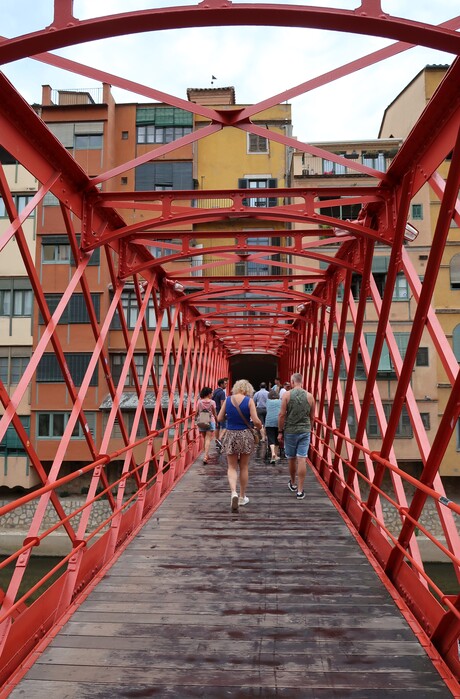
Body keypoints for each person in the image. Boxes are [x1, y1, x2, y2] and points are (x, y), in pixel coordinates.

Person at [217, 379, 263, 512]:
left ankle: (233, 493)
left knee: (231, 467)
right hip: (245, 435)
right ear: (248, 389)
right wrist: (259, 426)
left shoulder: (228, 399)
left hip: (231, 434)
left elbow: (219, 418)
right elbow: (255, 420)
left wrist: (230, 417)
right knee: (243, 466)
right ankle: (242, 496)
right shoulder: (249, 401)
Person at [278, 373, 315, 500]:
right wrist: (309, 428)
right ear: (302, 382)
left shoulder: (287, 395)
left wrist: (280, 431)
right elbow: (312, 417)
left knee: (291, 458)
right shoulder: (310, 396)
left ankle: (293, 483)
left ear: (292, 382)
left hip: (290, 431)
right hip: (304, 431)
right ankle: (300, 491)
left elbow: (282, 415)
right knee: (302, 459)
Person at [196, 386, 218, 464]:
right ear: (208, 394)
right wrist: (217, 421)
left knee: (204, 438)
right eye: (211, 393)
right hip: (210, 420)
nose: (212, 394)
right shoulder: (212, 402)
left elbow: (196, 412)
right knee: (208, 438)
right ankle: (205, 456)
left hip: (202, 420)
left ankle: (206, 455)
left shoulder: (199, 402)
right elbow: (214, 413)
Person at [265, 389, 282, 463]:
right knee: (277, 438)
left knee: (271, 438)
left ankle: (273, 454)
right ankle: (276, 455)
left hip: (269, 421)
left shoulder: (268, 401)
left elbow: (266, 409)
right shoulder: (280, 401)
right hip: (278, 421)